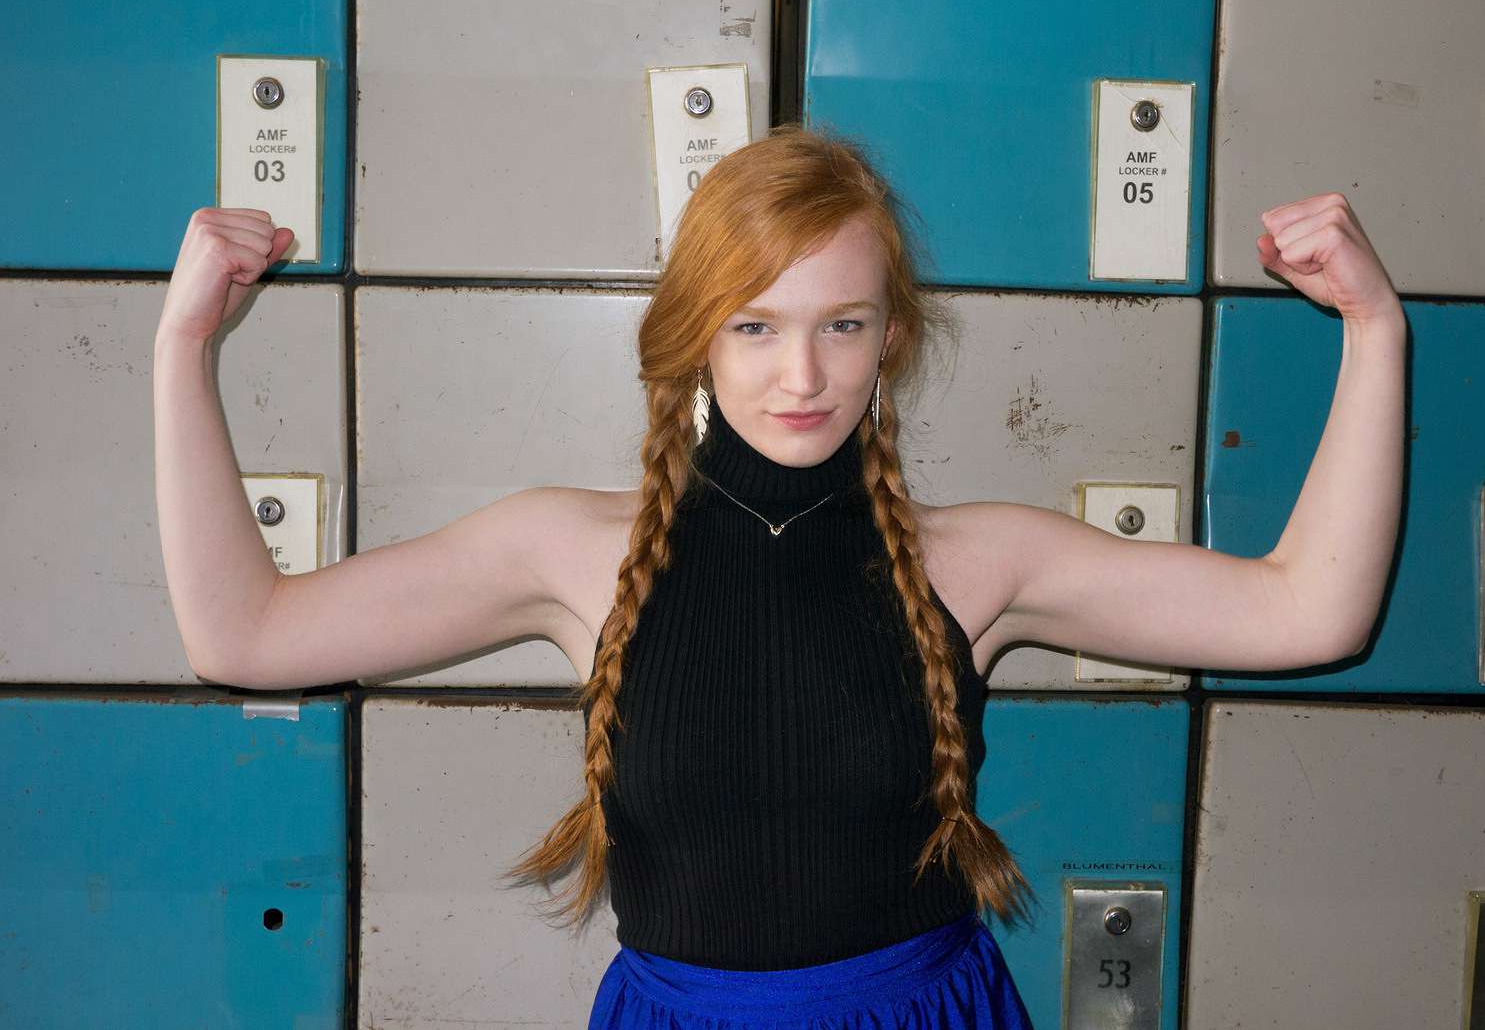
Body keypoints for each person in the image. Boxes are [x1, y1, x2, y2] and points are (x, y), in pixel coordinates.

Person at [154, 124, 1404, 1028]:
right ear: (695, 333)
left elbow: (1311, 610)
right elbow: (242, 634)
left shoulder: (977, 561)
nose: (800, 375)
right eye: (754, 325)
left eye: (840, 324)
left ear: (890, 337)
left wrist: (1373, 329)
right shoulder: (568, 552)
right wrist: (182, 344)